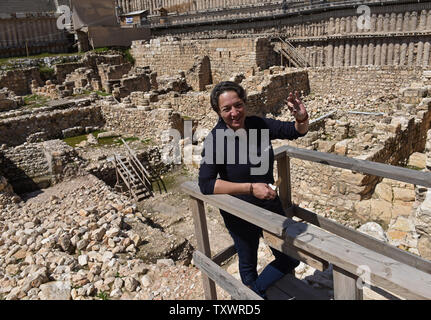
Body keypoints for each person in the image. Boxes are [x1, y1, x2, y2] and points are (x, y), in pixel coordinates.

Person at [198, 81, 309, 298]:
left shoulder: (258, 124)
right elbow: (206, 183)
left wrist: (301, 117)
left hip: (268, 205)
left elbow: (296, 131)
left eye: (238, 105)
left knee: (290, 257)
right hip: (239, 212)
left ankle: (254, 294)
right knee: (247, 261)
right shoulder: (216, 139)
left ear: (245, 104)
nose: (234, 113)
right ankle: (252, 294)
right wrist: (250, 188)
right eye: (226, 109)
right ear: (218, 112)